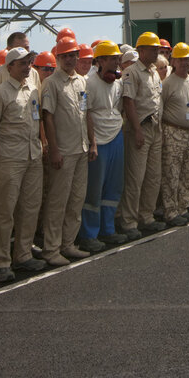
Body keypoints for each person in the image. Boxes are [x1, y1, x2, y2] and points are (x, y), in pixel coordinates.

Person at [0, 47, 45, 280]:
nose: (28, 67)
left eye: (29, 63)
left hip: (32, 156)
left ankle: (23, 254)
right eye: (22, 63)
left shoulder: (33, 90)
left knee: (30, 207)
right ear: (9, 67)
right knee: (5, 211)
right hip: (10, 158)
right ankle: (1, 260)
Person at [35, 37, 89, 263]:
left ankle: (68, 243)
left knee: (76, 200)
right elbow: (47, 117)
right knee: (58, 202)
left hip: (81, 149)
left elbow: (87, 114)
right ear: (57, 58)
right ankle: (51, 249)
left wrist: (91, 143)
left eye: (72, 55)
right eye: (65, 56)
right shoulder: (51, 83)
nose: (70, 59)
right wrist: (53, 149)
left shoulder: (81, 82)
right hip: (64, 151)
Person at [80, 42, 127, 248]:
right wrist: (93, 142)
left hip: (116, 135)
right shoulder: (88, 83)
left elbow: (117, 107)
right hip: (99, 139)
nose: (116, 62)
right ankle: (90, 233)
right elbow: (87, 114)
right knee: (94, 187)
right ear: (99, 61)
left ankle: (108, 229)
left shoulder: (118, 83)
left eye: (117, 59)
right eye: (111, 59)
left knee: (114, 185)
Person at [118, 33, 166, 236]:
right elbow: (129, 102)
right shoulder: (131, 72)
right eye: (152, 49)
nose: (156, 52)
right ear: (141, 51)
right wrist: (137, 130)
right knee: (135, 177)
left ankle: (146, 216)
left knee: (153, 176)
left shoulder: (154, 72)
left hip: (156, 127)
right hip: (140, 127)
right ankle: (129, 221)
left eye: (157, 48)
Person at [157, 44, 189, 225]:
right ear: (173, 61)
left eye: (187, 59)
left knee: (187, 172)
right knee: (171, 173)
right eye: (181, 59)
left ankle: (183, 207)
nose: (185, 63)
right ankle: (171, 211)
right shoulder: (167, 84)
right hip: (173, 132)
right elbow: (160, 109)